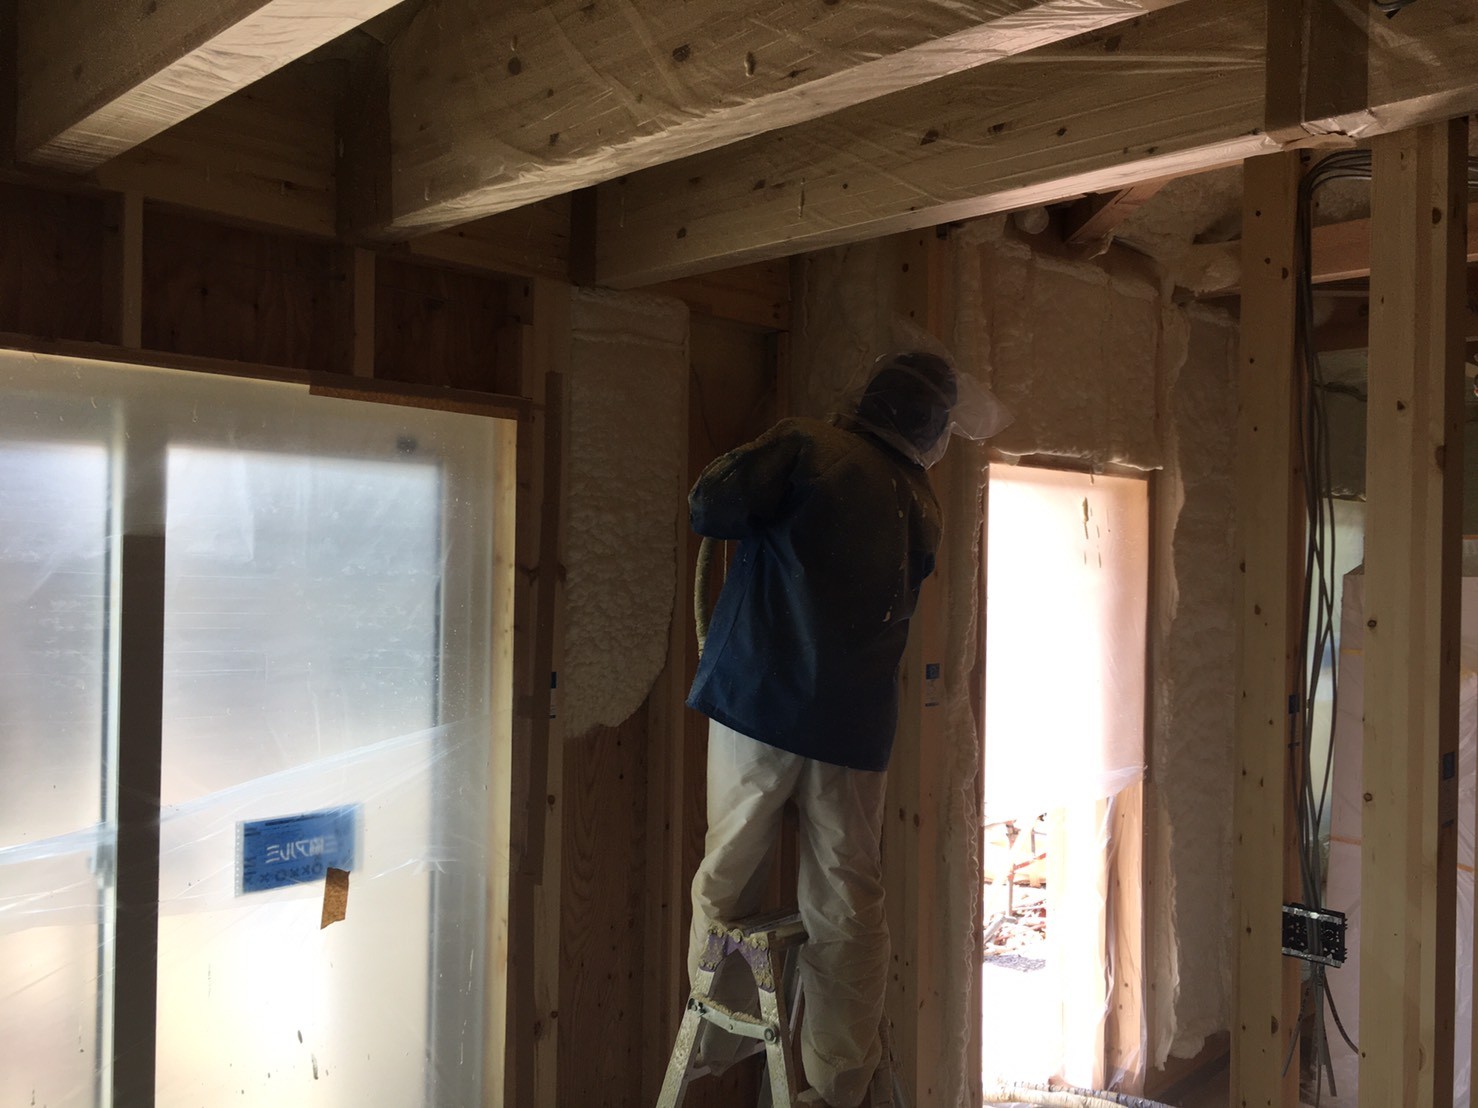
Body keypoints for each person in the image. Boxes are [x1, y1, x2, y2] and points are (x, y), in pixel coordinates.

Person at [684, 351, 958, 1108]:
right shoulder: (922, 501)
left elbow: (709, 507)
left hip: (759, 702)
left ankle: (722, 1036)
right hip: (853, 730)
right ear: (932, 427)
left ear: (870, 394)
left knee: (729, 872)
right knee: (846, 902)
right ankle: (839, 1084)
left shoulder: (807, 446)